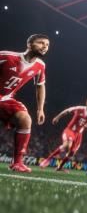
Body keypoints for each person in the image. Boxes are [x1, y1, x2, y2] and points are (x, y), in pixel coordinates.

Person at [0, 34, 50, 172]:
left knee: (25, 119)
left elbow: (40, 85)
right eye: (41, 43)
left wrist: (40, 109)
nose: (45, 47)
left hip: (6, 98)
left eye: (47, 45)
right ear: (29, 44)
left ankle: (17, 163)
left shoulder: (40, 66)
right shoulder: (6, 56)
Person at [41, 95, 87, 171]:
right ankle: (47, 160)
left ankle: (60, 167)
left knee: (71, 153)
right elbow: (67, 111)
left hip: (78, 135)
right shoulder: (79, 108)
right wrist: (57, 117)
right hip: (70, 130)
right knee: (67, 145)